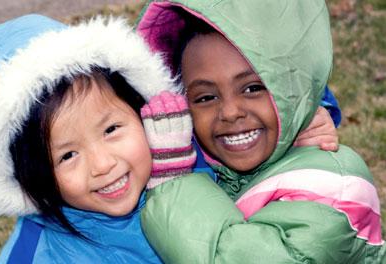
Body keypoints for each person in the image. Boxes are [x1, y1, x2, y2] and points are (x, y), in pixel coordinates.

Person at [138, 0, 386, 263]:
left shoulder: (335, 187)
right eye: (205, 97)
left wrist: (173, 181)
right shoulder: (213, 168)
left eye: (252, 88)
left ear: (290, 93)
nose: (230, 112)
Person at [0, 14, 196, 263]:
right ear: (32, 177)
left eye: (111, 130)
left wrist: (175, 185)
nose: (103, 164)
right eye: (68, 155)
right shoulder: (38, 257)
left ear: (139, 109)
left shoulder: (200, 167)